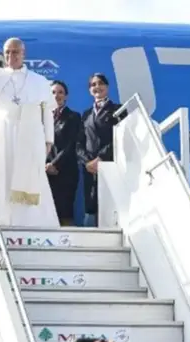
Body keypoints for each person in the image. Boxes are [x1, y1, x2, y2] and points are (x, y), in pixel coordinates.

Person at [0, 25, 59, 228]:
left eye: (15, 52)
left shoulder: (39, 81)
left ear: (23, 54)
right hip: (4, 132)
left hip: (31, 134)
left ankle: (34, 223)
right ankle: (1, 220)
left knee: (31, 176)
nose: (11, 56)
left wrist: (48, 140)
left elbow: (47, 112)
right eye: (8, 52)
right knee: (3, 175)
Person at [77, 73, 125, 227]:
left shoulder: (118, 110)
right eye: (93, 84)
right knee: (91, 204)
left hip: (110, 164)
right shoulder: (86, 114)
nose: (97, 87)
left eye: (100, 83)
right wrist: (87, 162)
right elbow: (79, 142)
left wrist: (101, 158)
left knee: (110, 202)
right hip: (90, 168)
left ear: (107, 87)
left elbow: (120, 137)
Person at [47, 80, 81, 226]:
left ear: (66, 96)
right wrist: (45, 165)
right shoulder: (41, 117)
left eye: (60, 92)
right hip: (44, 173)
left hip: (65, 172)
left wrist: (54, 164)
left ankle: (68, 239)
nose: (57, 96)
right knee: (46, 212)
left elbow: (71, 144)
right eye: (53, 92)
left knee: (64, 212)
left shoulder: (73, 117)